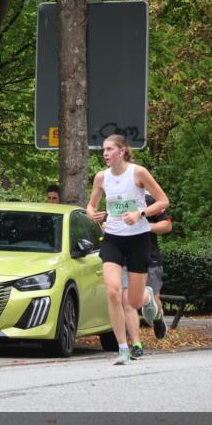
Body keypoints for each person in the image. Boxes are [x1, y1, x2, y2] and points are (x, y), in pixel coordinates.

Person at [86, 135, 169, 365]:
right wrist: (93, 214)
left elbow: (163, 202)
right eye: (103, 150)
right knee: (113, 291)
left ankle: (148, 298)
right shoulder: (101, 177)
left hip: (138, 240)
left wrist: (139, 213)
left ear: (122, 151)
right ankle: (123, 348)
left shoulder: (138, 173)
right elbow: (91, 206)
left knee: (133, 300)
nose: (104, 153)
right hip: (112, 238)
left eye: (109, 149)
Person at [117, 193, 173, 360]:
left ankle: (157, 316)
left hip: (149, 259)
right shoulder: (116, 199)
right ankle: (136, 345)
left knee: (152, 301)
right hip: (125, 259)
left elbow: (167, 226)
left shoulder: (149, 200)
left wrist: (144, 226)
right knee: (127, 301)